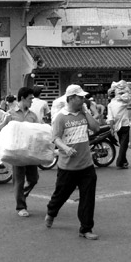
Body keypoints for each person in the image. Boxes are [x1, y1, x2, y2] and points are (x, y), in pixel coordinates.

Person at [45, 84, 100, 240]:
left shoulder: (83, 114)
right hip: (67, 166)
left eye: (83, 97)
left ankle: (86, 228)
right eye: (80, 97)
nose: (83, 99)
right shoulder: (60, 117)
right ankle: (51, 212)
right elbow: (55, 138)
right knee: (60, 195)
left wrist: (86, 112)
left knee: (88, 198)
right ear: (71, 98)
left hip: (86, 165)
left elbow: (96, 128)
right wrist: (66, 148)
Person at [0, 87, 40, 217]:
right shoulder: (11, 114)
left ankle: (21, 194)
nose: (32, 101)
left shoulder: (33, 115)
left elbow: (39, 130)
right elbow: (0, 129)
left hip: (30, 152)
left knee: (33, 179)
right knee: (19, 180)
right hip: (16, 152)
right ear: (22, 98)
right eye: (30, 99)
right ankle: (21, 207)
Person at [106, 89, 131, 169]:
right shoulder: (123, 102)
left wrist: (112, 128)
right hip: (125, 125)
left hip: (117, 127)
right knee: (124, 145)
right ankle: (120, 161)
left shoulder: (110, 105)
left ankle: (124, 161)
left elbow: (110, 117)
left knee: (122, 144)